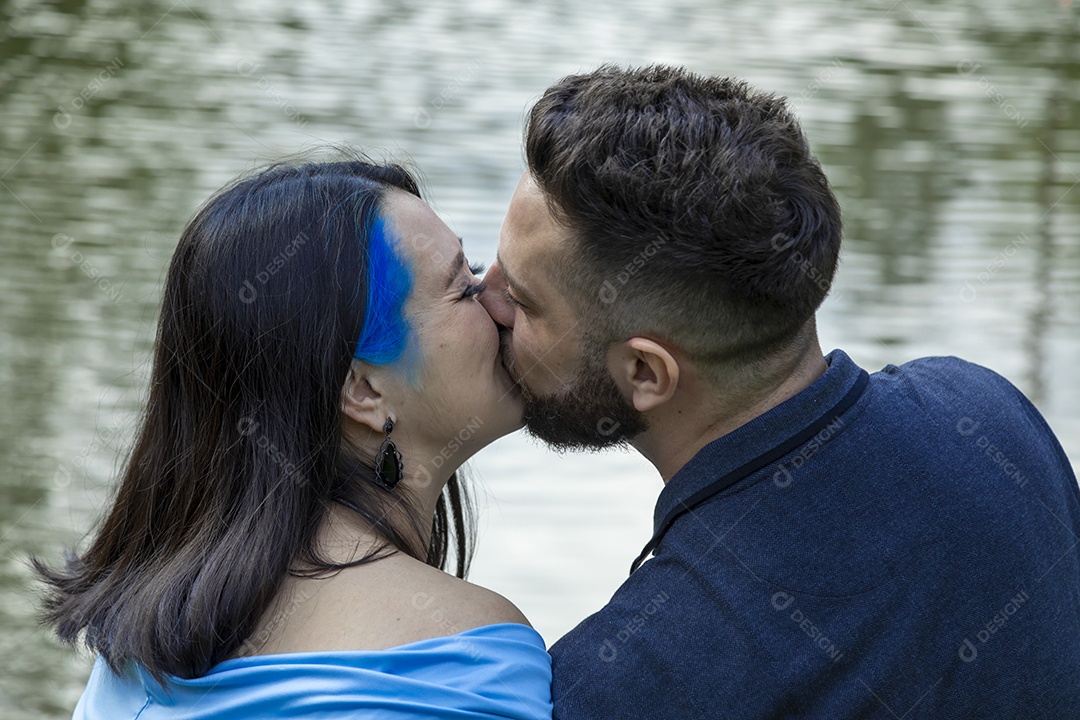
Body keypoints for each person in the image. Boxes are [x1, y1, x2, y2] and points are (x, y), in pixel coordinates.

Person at [479, 64, 1080, 718]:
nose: (483, 302)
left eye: (521, 299)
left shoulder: (625, 682)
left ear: (647, 375)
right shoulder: (989, 414)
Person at [34, 158, 553, 719]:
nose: (499, 298)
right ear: (362, 390)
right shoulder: (465, 659)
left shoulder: (138, 651)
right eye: (463, 285)